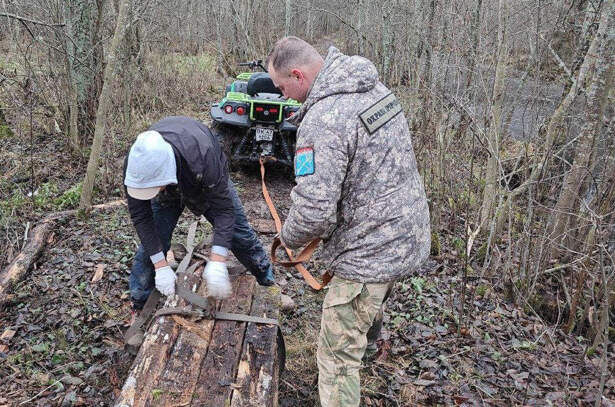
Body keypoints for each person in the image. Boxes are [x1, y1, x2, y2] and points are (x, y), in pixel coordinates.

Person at [267, 37, 430, 406]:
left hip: (370, 249)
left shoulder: (323, 121)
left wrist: (284, 240)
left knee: (336, 359)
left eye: (282, 88)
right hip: (409, 231)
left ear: (297, 74)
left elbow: (312, 211)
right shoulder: (371, 86)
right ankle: (369, 347)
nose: (284, 97)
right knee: (372, 300)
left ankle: (351, 369)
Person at [124, 116, 274, 311]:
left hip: (200, 175)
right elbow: (141, 217)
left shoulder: (204, 155)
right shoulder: (136, 165)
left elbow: (224, 211)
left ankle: (267, 283)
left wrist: (218, 259)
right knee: (154, 242)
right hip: (167, 177)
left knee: (239, 234)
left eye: (155, 187)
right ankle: (140, 302)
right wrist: (160, 265)